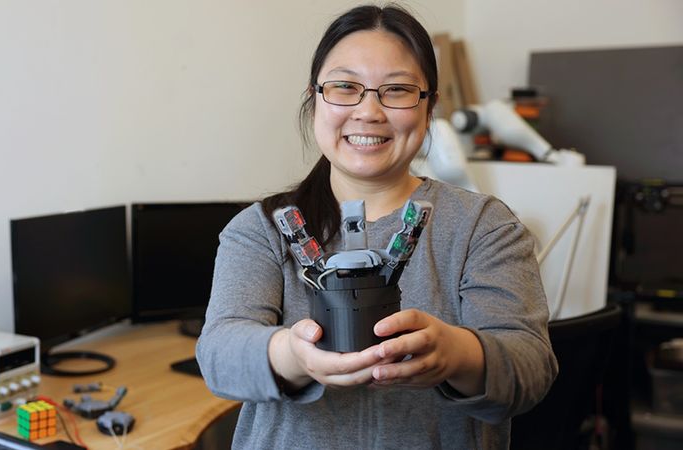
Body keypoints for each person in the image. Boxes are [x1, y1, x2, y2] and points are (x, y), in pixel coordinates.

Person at [195, 4, 558, 449]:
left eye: (398, 90)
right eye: (345, 87)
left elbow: (531, 370)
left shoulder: (483, 227)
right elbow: (218, 359)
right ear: (314, 100)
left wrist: (453, 353)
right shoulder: (262, 230)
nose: (369, 111)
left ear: (430, 110)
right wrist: (293, 354)